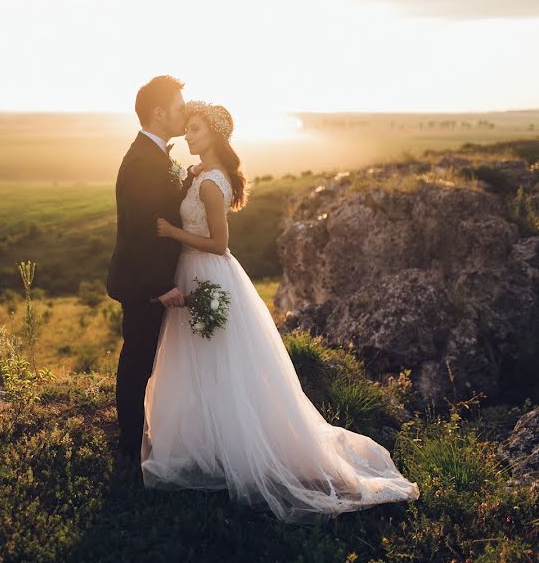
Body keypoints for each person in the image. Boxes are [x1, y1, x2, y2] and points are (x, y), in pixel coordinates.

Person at [141, 99, 421, 524]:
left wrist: (171, 231)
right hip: (193, 271)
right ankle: (206, 440)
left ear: (213, 135)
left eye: (195, 129)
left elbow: (219, 243)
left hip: (207, 271)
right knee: (196, 357)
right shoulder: (202, 175)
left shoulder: (213, 183)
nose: (188, 135)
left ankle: (235, 445)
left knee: (219, 359)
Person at [106, 75, 201, 459]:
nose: (185, 112)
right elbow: (140, 229)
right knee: (137, 362)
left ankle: (142, 434)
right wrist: (161, 285)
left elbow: (158, 207)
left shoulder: (154, 154)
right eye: (179, 107)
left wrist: (186, 180)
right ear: (159, 113)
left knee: (145, 358)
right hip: (142, 283)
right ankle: (129, 448)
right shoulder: (144, 160)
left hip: (146, 280)